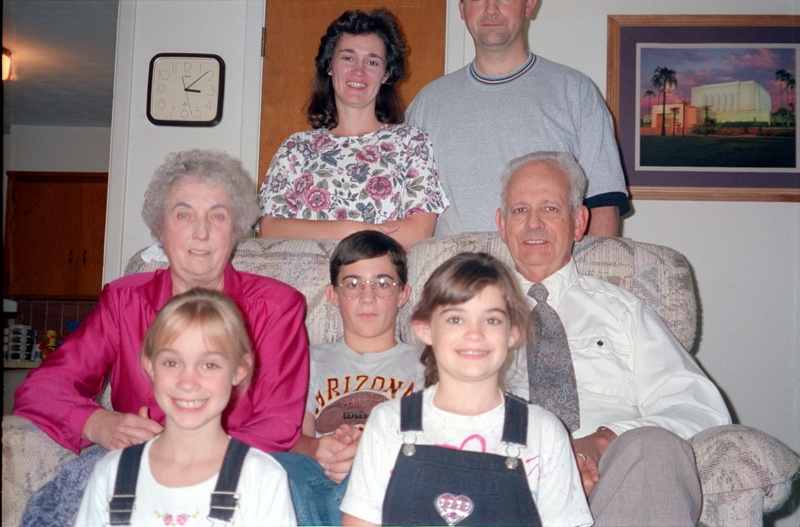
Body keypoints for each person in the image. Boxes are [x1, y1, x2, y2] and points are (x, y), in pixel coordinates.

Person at [15, 149, 308, 526]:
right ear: (160, 227)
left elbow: (279, 423)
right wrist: (100, 424)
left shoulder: (277, 307)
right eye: (183, 215)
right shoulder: (124, 301)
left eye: (217, 216)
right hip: (134, 468)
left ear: (235, 230)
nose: (201, 232)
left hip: (234, 466)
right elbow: (40, 389)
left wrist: (192, 459)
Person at [495, 150, 731, 526]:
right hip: (506, 481)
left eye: (551, 209)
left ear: (578, 221)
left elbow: (700, 410)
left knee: (654, 448)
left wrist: (602, 442)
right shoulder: (469, 313)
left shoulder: (623, 311)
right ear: (502, 224)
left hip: (617, 488)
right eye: (520, 210)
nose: (534, 224)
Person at [341, 252, 593, 527]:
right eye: (455, 319)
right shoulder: (389, 423)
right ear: (424, 329)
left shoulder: (543, 431)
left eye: (492, 320)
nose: (475, 333)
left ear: (513, 332)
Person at [75, 288, 298, 526]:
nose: (188, 382)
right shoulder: (111, 474)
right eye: (172, 362)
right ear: (150, 366)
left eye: (209, 365)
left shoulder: (262, 478)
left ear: (239, 370)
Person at [406, 0, 629, 238]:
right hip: (452, 272)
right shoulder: (427, 103)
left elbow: (604, 202)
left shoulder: (575, 92)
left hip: (547, 273)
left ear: (529, 5)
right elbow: (404, 210)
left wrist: (595, 275)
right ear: (462, 10)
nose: (491, 8)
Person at [257, 9, 448, 250]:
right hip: (302, 283)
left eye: (372, 62)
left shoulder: (411, 143)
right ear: (329, 65)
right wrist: (349, 229)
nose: (359, 71)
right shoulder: (296, 148)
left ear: (386, 74)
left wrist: (340, 234)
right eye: (348, 58)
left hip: (379, 284)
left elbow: (419, 232)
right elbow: (269, 229)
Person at [274, 230, 424, 526]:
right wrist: (317, 448)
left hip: (389, 480)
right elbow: (293, 440)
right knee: (280, 466)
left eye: (382, 284)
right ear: (333, 294)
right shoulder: (307, 359)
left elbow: (431, 443)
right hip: (322, 481)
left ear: (403, 294)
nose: (367, 297)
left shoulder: (426, 363)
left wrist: (369, 452)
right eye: (352, 284)